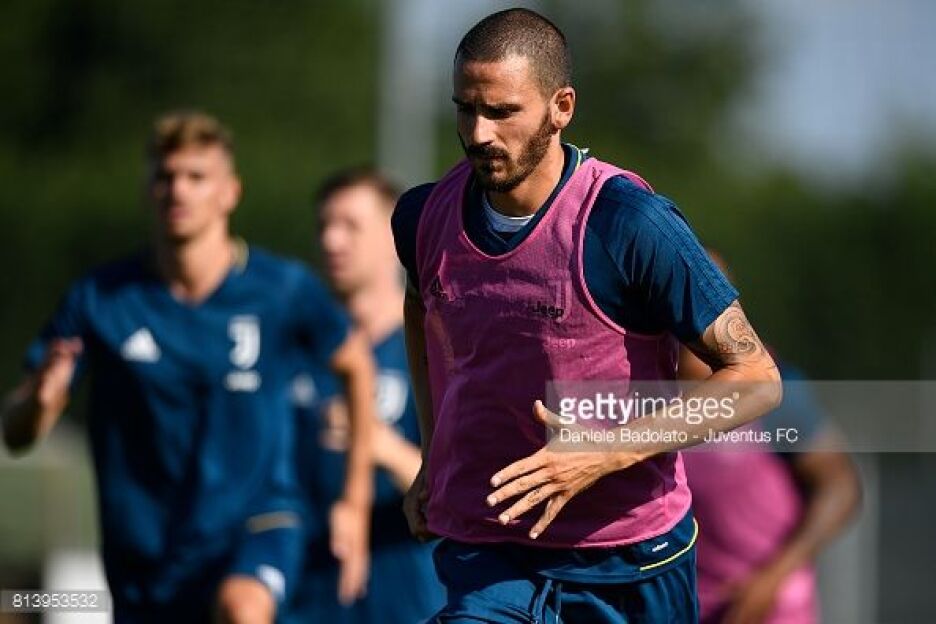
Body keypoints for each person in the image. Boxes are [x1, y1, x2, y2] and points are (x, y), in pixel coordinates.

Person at [391, 9, 782, 623]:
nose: (479, 132)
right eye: (466, 109)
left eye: (502, 112)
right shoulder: (423, 218)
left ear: (561, 107)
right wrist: (433, 454)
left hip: (630, 557)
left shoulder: (630, 224)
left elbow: (756, 380)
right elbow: (422, 310)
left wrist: (605, 452)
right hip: (491, 549)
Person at [1, 111, 374, 623]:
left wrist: (353, 501)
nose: (178, 189)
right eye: (165, 175)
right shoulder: (101, 298)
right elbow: (17, 434)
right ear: (147, 190)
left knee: (243, 609)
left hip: (257, 522)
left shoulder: (281, 289)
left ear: (229, 193)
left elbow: (355, 364)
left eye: (196, 176)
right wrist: (39, 405)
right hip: (145, 551)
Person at [285, 169, 445, 623]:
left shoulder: (435, 350)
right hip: (305, 598)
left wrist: (376, 442)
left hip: (409, 600)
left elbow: (463, 489)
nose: (332, 240)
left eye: (350, 226)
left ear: (393, 237)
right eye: (324, 225)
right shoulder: (294, 349)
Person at [679, 251, 861, 624]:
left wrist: (773, 577)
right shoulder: (642, 397)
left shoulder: (774, 391)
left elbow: (840, 487)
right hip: (686, 607)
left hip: (770, 609)